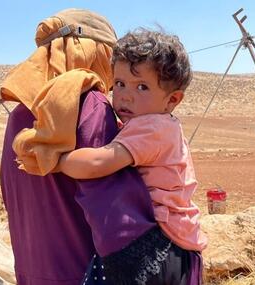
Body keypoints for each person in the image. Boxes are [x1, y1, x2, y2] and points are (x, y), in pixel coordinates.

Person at [0, 9, 160, 285]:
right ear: (93, 51)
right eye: (111, 56)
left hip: (31, 274)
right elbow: (118, 215)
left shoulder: (19, 115)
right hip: (84, 275)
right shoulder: (90, 107)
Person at [56, 28, 207, 284]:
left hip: (161, 245)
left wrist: (57, 160)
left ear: (172, 100)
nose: (125, 94)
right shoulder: (165, 125)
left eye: (142, 87)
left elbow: (98, 163)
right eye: (119, 83)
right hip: (180, 244)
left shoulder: (150, 127)